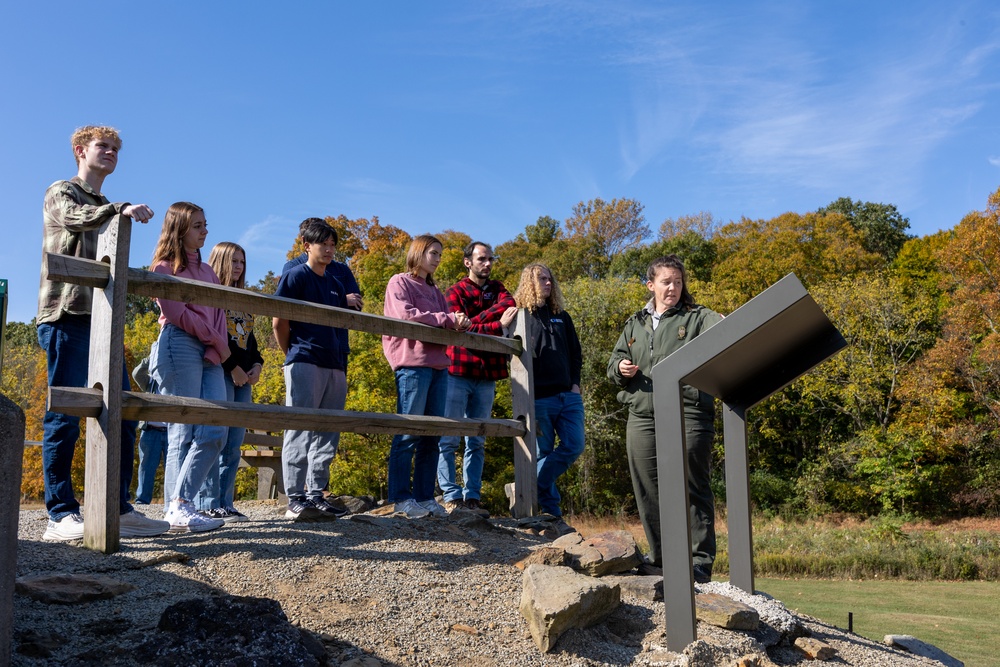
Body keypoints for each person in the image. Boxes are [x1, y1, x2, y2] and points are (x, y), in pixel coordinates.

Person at [36, 125, 168, 541]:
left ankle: (117, 506)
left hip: (103, 321)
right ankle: (60, 513)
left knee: (122, 410)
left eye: (116, 148)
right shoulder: (63, 191)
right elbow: (72, 219)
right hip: (66, 314)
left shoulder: (110, 207)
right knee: (67, 413)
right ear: (80, 151)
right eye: (102, 146)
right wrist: (120, 209)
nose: (110, 152)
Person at [606, 255, 723, 583]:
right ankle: (662, 560)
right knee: (647, 488)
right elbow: (614, 361)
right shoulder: (635, 322)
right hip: (642, 413)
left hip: (688, 411)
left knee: (692, 485)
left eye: (678, 281)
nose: (673, 287)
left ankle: (699, 563)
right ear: (651, 285)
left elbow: (727, 329)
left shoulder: (698, 316)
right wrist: (620, 368)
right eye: (666, 281)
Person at [150, 201, 230, 533]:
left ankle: (181, 503)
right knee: (181, 431)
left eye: (205, 224)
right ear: (180, 228)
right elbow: (178, 313)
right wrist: (214, 338)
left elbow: (219, 311)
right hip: (178, 345)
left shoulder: (209, 271)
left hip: (210, 351)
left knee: (216, 428)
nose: (205, 231)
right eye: (198, 225)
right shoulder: (163, 268)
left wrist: (218, 347)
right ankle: (179, 508)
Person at [383, 234, 469, 518]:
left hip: (439, 366)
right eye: (433, 253)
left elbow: (445, 320)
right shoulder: (399, 282)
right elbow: (406, 315)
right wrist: (447, 319)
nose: (437, 259)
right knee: (408, 432)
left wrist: (459, 323)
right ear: (418, 252)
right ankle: (400, 498)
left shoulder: (436, 292)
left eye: (439, 255)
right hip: (411, 364)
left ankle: (424, 496)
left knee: (432, 435)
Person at [272, 220, 351, 520]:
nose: (329, 250)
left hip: (335, 363)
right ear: (306, 245)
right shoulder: (295, 276)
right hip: (304, 360)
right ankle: (295, 497)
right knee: (299, 427)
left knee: (328, 430)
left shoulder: (336, 284)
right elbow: (279, 322)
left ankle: (317, 494)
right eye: (323, 244)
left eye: (333, 245)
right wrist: (291, 354)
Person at [437, 242, 514, 516]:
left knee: (478, 439)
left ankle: (472, 496)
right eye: (482, 259)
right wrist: (497, 326)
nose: (488, 263)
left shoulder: (499, 289)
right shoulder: (454, 291)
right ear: (468, 262)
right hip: (457, 370)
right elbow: (460, 330)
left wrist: (475, 323)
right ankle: (451, 494)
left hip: (488, 373)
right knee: (449, 437)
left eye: (491, 259)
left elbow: (509, 304)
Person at [506, 263, 583, 536]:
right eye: (541, 278)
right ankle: (552, 513)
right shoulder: (521, 315)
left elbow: (576, 354)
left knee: (575, 445)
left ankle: (529, 487)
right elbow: (510, 352)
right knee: (543, 453)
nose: (548, 283)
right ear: (529, 281)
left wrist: (575, 385)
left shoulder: (562, 315)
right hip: (538, 398)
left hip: (568, 396)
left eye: (550, 278)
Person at [193, 242, 264, 523]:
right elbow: (211, 336)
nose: (238, 267)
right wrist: (232, 367)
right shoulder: (212, 296)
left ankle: (226, 502)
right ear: (219, 261)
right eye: (233, 261)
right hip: (219, 372)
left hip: (243, 379)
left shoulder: (245, 299)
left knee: (234, 443)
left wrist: (257, 365)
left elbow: (251, 342)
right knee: (215, 438)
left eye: (242, 262)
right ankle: (208, 503)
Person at [282, 217, 362, 372]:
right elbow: (286, 312)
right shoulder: (293, 268)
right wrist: (341, 299)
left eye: (330, 242)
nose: (327, 247)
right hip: (304, 349)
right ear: (306, 241)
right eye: (321, 239)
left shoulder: (341, 270)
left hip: (338, 348)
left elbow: (357, 306)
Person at [131, 348, 168, 505]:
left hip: (171, 432)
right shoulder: (150, 382)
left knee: (173, 469)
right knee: (146, 468)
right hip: (150, 431)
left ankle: (172, 501)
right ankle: (142, 501)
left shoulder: (176, 382)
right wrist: (151, 358)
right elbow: (136, 373)